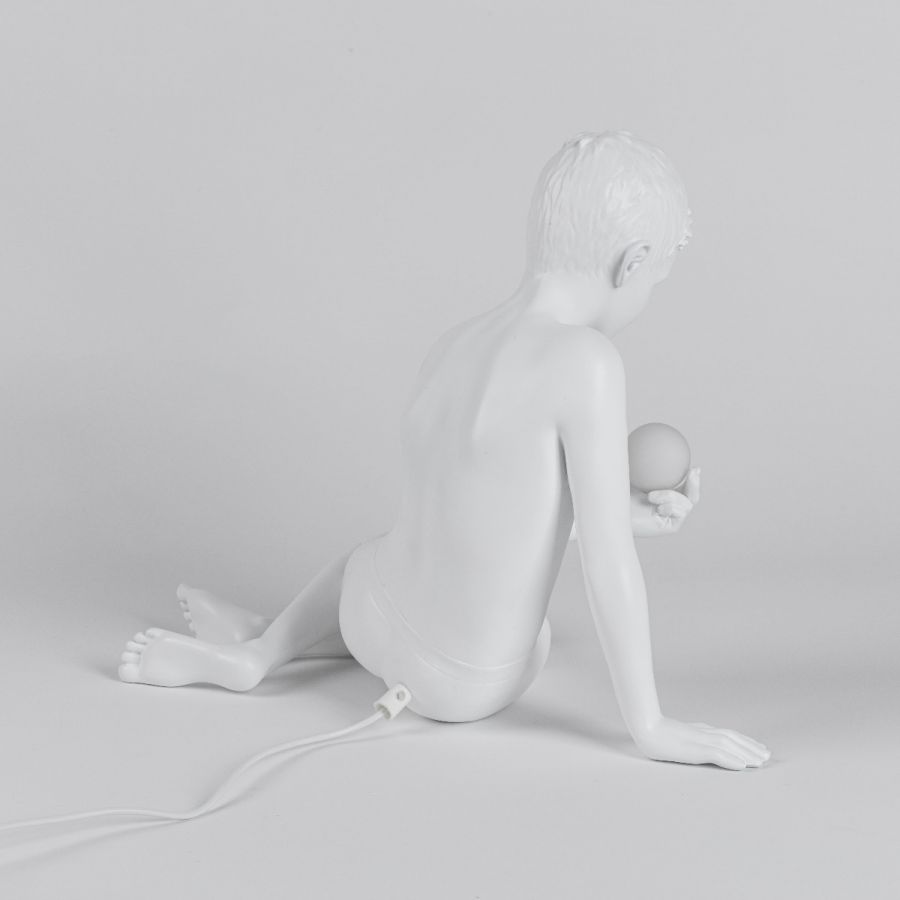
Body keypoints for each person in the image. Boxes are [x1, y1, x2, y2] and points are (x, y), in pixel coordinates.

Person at [119, 132, 770, 770]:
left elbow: (488, 512)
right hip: (466, 683)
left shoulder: (459, 341)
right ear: (632, 262)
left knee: (368, 556)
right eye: (655, 280)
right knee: (540, 639)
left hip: (369, 616)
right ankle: (266, 645)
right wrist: (651, 726)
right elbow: (607, 562)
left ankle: (261, 649)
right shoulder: (586, 361)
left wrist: (630, 515)